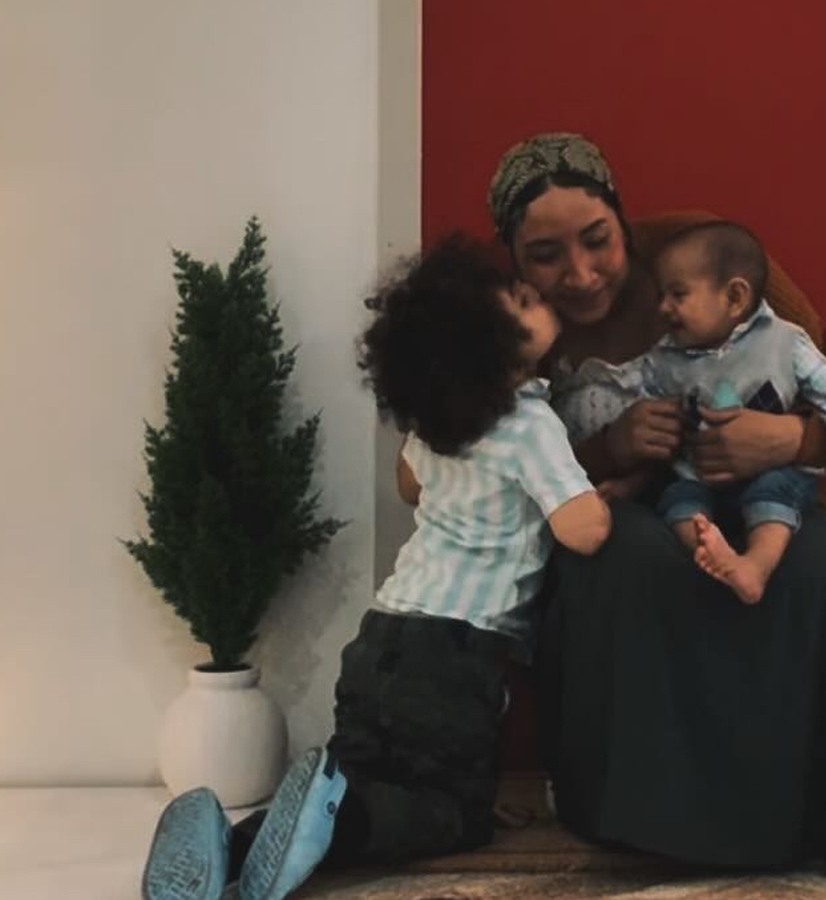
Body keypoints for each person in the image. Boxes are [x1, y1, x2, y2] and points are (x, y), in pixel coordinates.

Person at [486, 132, 826, 889]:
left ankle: (798, 806)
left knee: (822, 567)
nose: (581, 274)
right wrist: (609, 450)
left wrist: (786, 438)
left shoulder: (700, 253)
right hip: (611, 504)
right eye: (546, 256)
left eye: (598, 240)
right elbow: (454, 465)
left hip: (757, 486)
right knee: (632, 556)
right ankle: (642, 812)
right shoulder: (508, 317)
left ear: (622, 219)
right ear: (515, 260)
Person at [141, 236, 610, 900]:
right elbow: (583, 530)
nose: (540, 295)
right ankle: (354, 818)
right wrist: (609, 496)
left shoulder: (438, 427)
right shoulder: (531, 425)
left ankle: (231, 839)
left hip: (382, 634)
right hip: (454, 655)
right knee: (456, 817)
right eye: (523, 300)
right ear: (494, 352)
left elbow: (410, 486)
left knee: (354, 780)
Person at [628, 219, 826, 605]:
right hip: (699, 477)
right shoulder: (663, 361)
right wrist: (630, 478)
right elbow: (652, 430)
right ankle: (710, 551)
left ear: (734, 298)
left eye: (677, 294)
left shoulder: (785, 342)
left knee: (774, 494)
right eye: (661, 295)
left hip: (774, 472)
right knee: (677, 500)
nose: (663, 308)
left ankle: (755, 566)